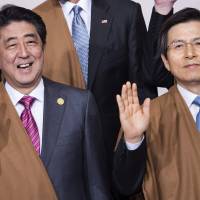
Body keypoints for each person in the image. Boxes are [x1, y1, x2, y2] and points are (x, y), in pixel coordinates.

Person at [34, 0, 176, 165]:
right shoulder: (36, 19)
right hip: (61, 149)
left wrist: (142, 145)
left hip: (118, 143)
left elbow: (143, 81)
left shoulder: (125, 12)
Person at [0, 5, 112, 200]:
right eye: (11, 45)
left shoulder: (79, 104)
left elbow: (97, 186)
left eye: (31, 42)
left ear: (43, 47)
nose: (24, 53)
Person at [113, 7, 200, 200]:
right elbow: (125, 186)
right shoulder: (149, 114)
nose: (190, 53)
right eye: (178, 46)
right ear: (166, 61)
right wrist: (133, 140)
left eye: (198, 43)